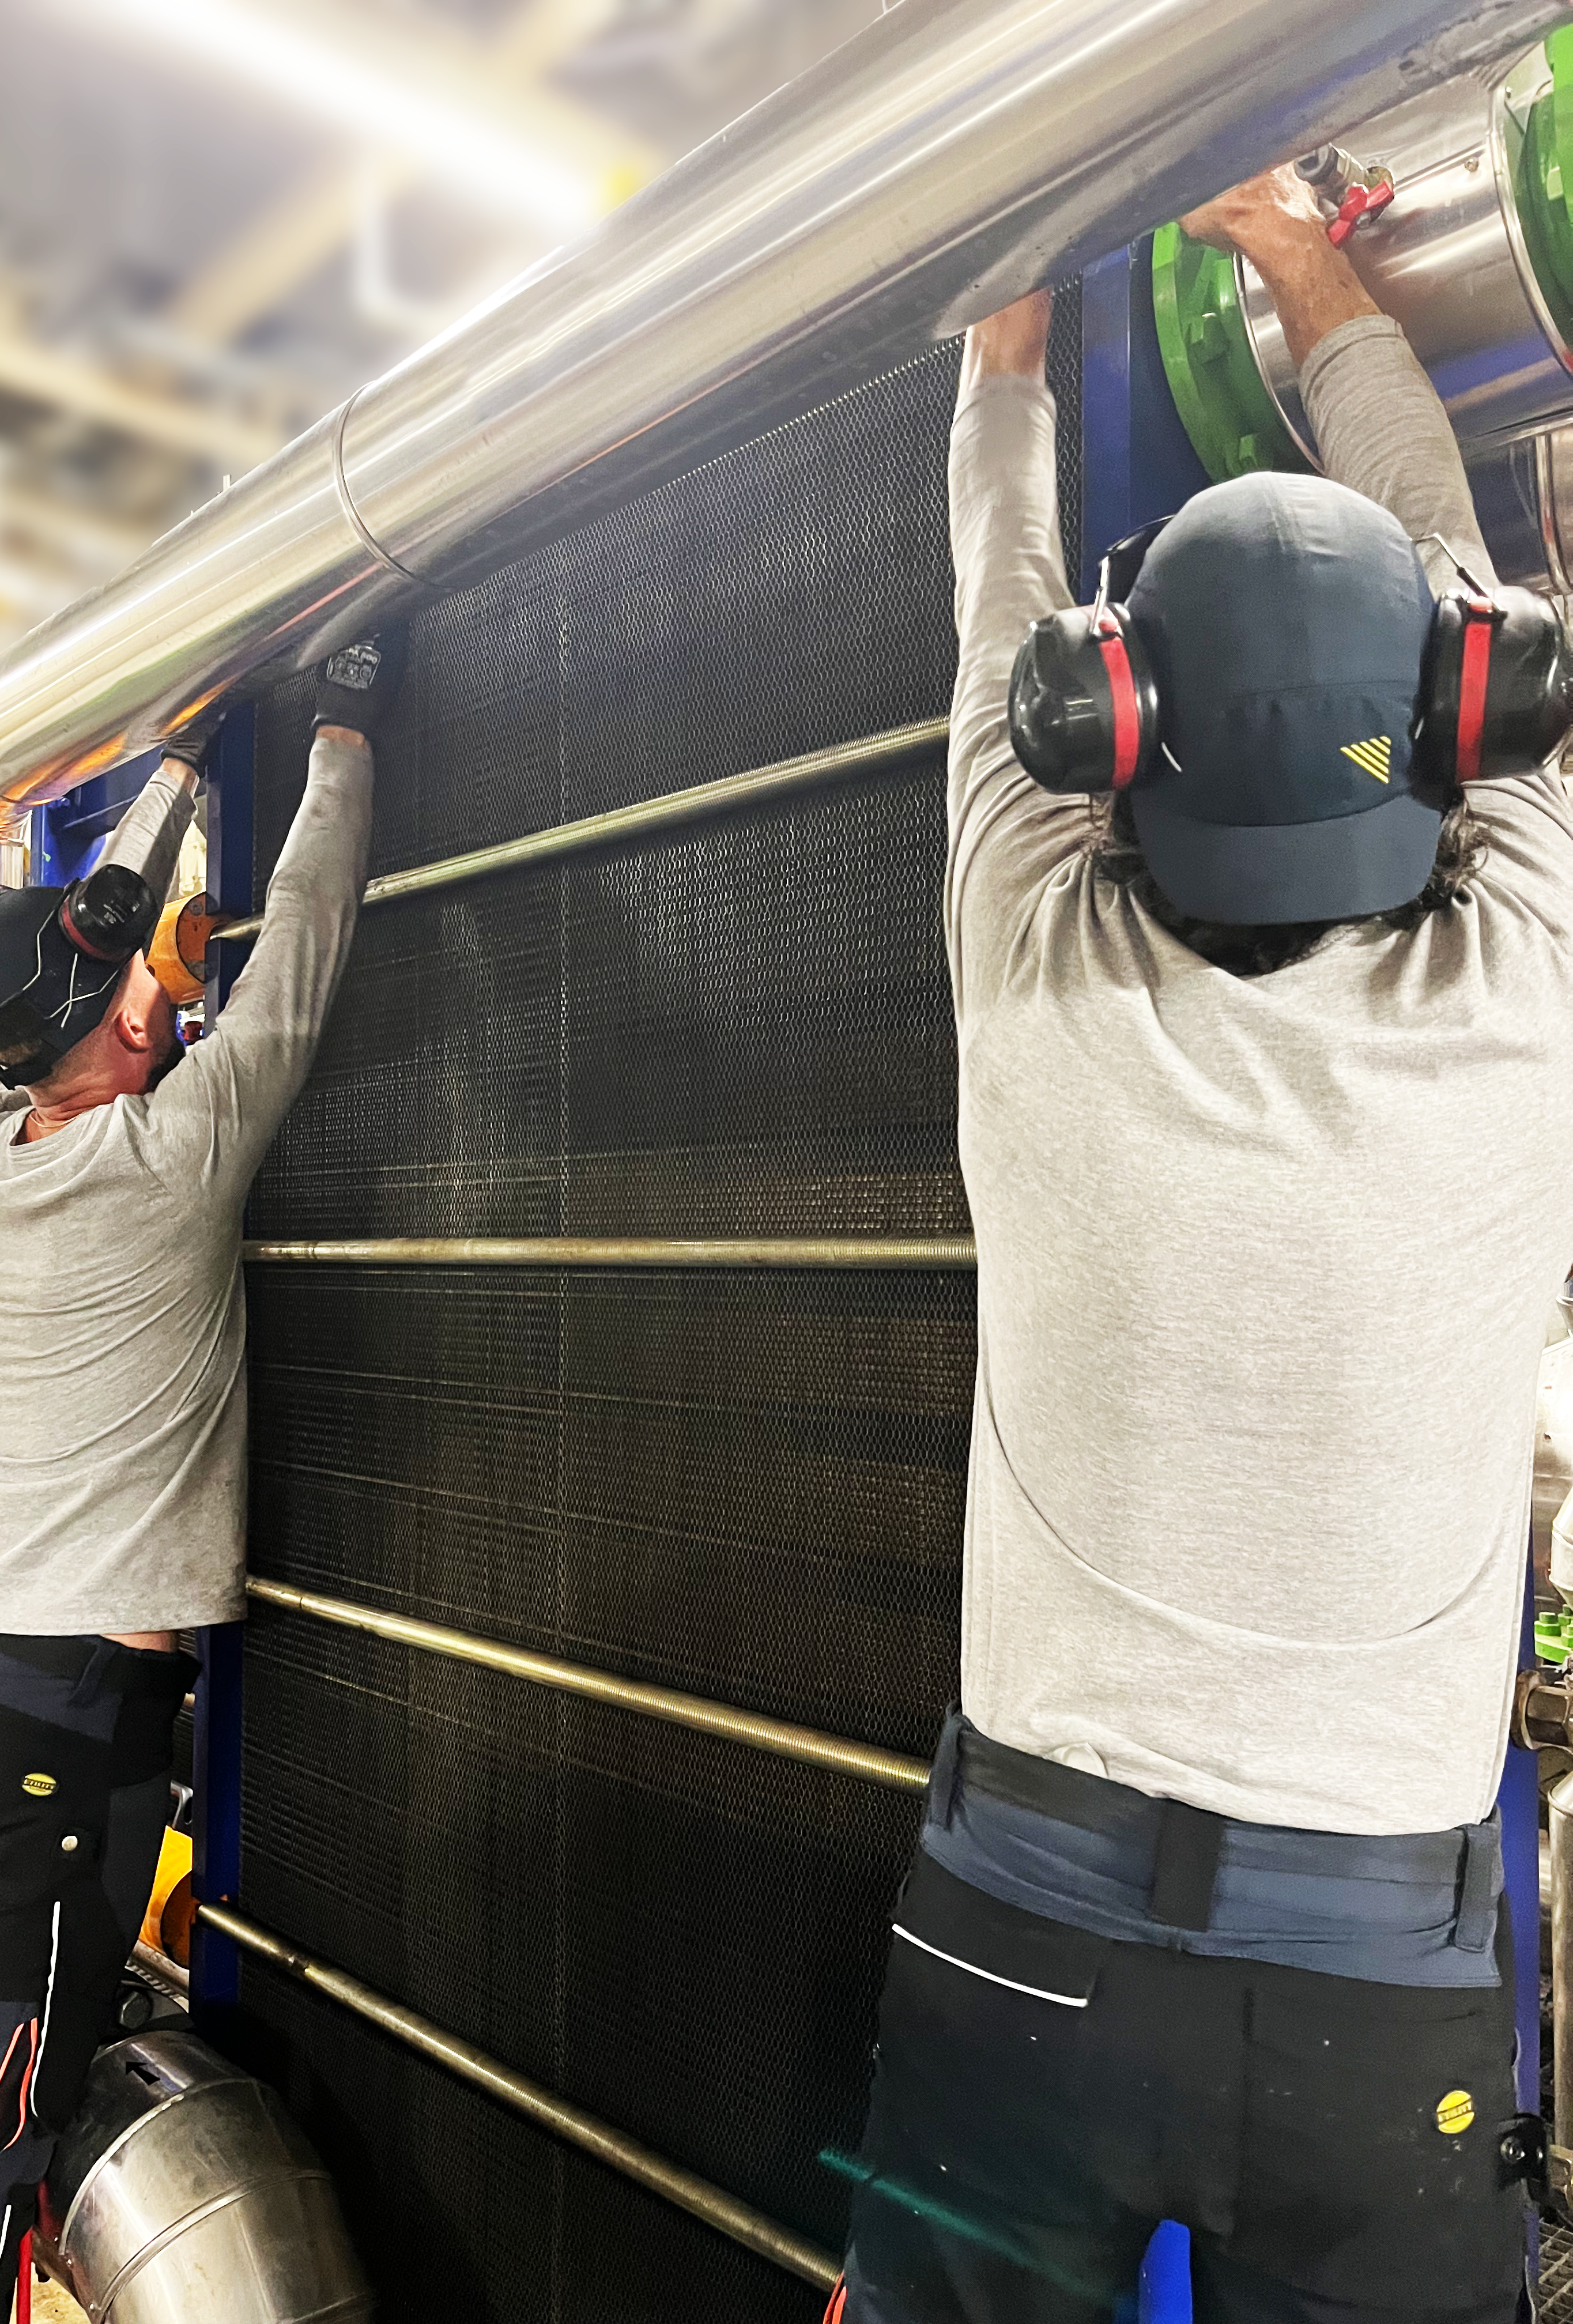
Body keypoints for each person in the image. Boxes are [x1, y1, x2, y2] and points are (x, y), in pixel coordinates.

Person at [839, 167, 1573, 2324]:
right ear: (1443, 725)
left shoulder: (1031, 971)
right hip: (1381, 1990)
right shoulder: (1521, 1001)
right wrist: (1301, 249)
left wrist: (1009, 347)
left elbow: (996, 600)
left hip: (1019, 1939)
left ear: (1110, 733)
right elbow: (1463, 585)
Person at [0, 623, 405, 2323]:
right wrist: (343, 743)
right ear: (85, 1021)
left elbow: (97, 966)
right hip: (54, 1742)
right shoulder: (175, 1156)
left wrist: (164, 777)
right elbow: (297, 949)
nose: (169, 991)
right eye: (139, 988)